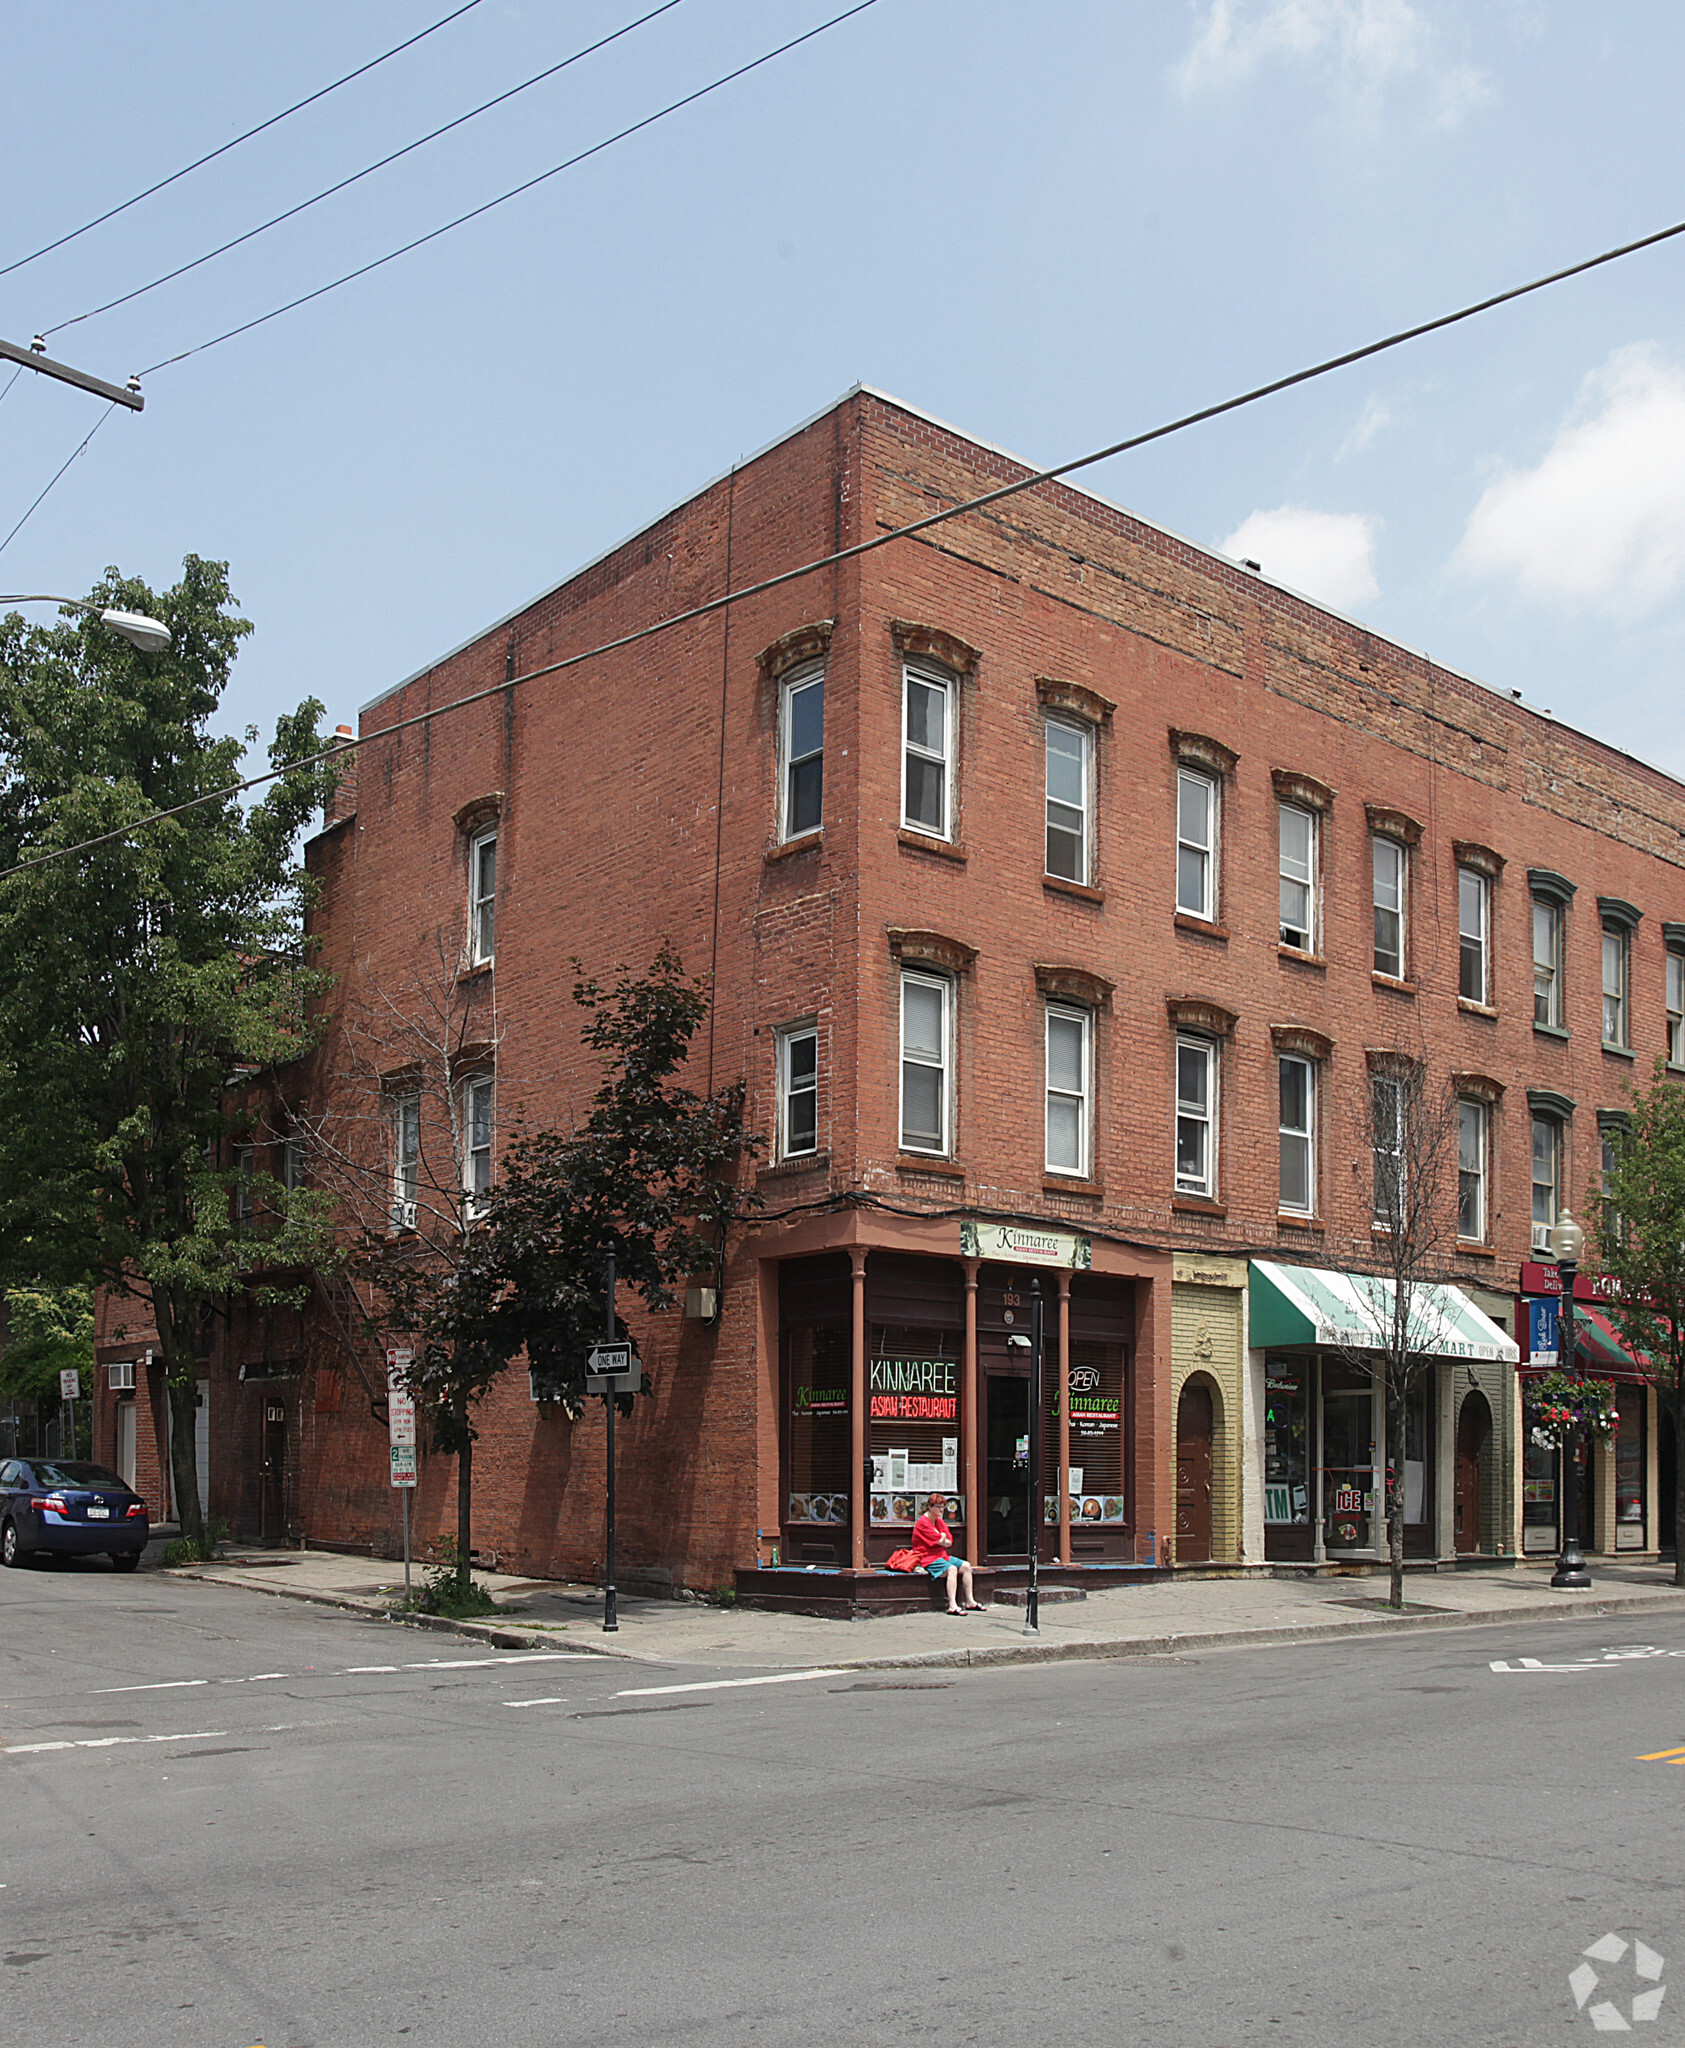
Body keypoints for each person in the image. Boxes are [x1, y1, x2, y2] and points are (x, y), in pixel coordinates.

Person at [910, 1492, 984, 1613]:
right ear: (930, 1506)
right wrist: (942, 1538)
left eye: (943, 1506)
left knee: (966, 1566)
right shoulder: (923, 1522)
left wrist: (942, 1538)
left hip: (941, 1555)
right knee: (952, 1569)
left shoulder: (939, 1521)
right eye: (938, 1507)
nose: (942, 1509)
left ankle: (970, 1601)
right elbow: (940, 1540)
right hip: (927, 1558)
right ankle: (952, 1605)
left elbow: (949, 1542)